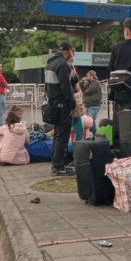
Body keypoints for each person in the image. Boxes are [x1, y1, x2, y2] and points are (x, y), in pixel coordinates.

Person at [45, 41, 76, 176]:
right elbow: (66, 87)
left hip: (53, 104)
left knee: (57, 136)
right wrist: (72, 104)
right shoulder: (62, 64)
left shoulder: (50, 64)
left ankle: (55, 164)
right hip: (63, 105)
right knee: (63, 137)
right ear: (68, 51)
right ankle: (59, 167)